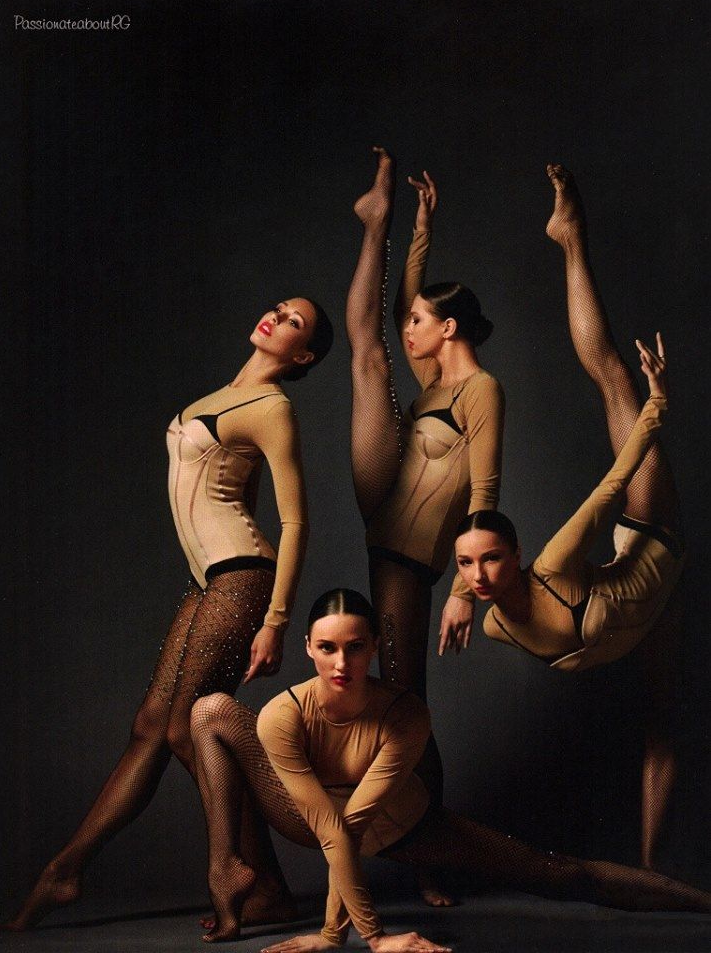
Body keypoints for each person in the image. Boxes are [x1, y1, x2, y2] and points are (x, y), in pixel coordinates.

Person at [6, 295, 333, 931]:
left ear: (303, 356)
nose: (276, 317)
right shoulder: (221, 395)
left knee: (188, 728)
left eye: (293, 322)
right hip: (210, 582)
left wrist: (277, 619)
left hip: (242, 580)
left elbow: (293, 521)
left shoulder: (272, 407)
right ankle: (67, 871)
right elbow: (244, 492)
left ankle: (237, 872)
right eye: (278, 308)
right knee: (151, 725)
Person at [190, 588, 711, 948]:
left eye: (355, 648)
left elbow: (353, 825)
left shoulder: (406, 714)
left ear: (375, 647)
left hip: (403, 826)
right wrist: (360, 937)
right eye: (326, 649)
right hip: (315, 819)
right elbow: (328, 826)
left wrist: (350, 935)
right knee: (209, 710)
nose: (341, 664)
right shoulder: (282, 715)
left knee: (557, 871)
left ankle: (702, 900)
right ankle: (227, 869)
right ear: (308, 648)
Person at [454, 164, 684, 868]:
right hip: (639, 619)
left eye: (491, 561)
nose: (480, 576)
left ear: (518, 557)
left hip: (650, 544)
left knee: (612, 375)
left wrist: (653, 412)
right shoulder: (490, 622)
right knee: (664, 728)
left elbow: (613, 484)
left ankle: (570, 239)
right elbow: (478, 564)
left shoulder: (551, 564)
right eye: (467, 568)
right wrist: (460, 597)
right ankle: (653, 880)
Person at [344, 149, 504, 889]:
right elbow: (411, 291)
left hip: (410, 560)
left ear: (446, 328)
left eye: (418, 321)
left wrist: (469, 591)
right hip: (385, 534)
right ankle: (373, 223)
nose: (411, 326)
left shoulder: (480, 390)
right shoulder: (435, 381)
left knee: (407, 704)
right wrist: (421, 227)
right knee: (369, 355)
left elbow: (485, 492)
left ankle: (434, 849)